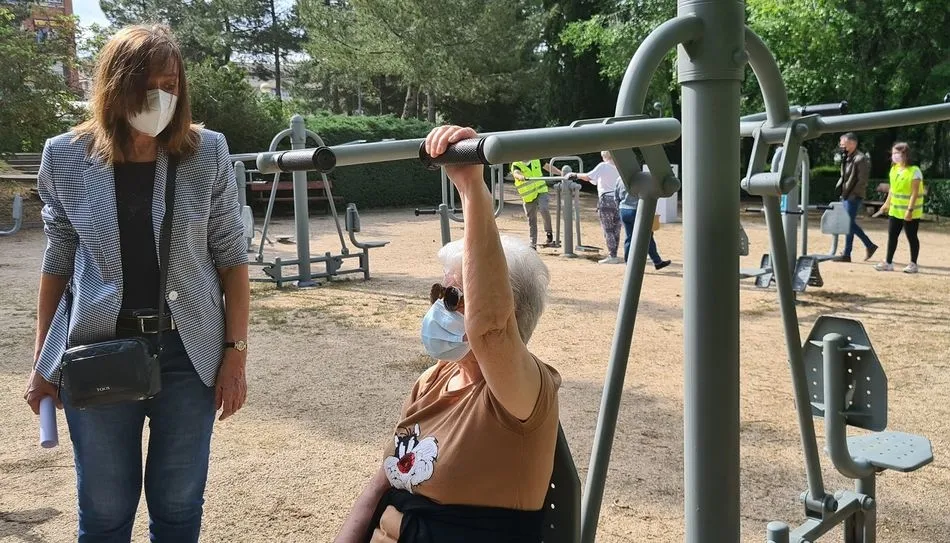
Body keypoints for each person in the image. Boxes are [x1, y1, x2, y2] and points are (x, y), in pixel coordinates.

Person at [21, 25, 250, 542]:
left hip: (189, 354)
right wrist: (43, 363)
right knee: (103, 511)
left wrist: (235, 353)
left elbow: (232, 259)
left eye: (170, 84)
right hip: (99, 350)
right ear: (112, 87)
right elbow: (57, 261)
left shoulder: (206, 151)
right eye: (145, 85)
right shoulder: (64, 156)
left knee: (178, 505)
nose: (160, 98)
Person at [335, 126, 561, 543]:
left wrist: (472, 190)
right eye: (438, 290)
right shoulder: (434, 379)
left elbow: (491, 331)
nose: (439, 305)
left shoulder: (520, 395)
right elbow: (380, 482)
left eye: (452, 295)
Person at [546, 151, 623, 264]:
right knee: (616, 228)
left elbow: (588, 177)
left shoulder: (603, 166)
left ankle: (612, 255)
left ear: (604, 156)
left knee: (608, 229)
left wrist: (575, 175)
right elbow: (594, 181)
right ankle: (614, 253)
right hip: (619, 200)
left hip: (606, 199)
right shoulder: (619, 167)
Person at [873, 142, 924, 273]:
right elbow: (892, 189)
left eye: (897, 153)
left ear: (905, 154)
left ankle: (913, 264)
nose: (894, 156)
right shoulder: (894, 169)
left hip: (910, 211)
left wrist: (909, 210)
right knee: (892, 236)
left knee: (911, 236)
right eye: (893, 153)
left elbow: (915, 193)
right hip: (895, 210)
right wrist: (886, 204)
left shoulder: (915, 171)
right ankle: (888, 263)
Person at [835, 132, 878, 262]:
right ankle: (865, 247)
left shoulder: (860, 159)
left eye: (844, 144)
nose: (842, 146)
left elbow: (862, 181)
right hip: (846, 194)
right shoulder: (847, 157)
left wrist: (852, 195)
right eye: (841, 144)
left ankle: (851, 252)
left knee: (847, 223)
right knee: (848, 223)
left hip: (853, 196)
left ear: (853, 144)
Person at [616, 181, 671, 270]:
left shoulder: (619, 179)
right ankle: (657, 261)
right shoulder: (640, 179)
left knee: (629, 237)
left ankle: (628, 263)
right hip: (636, 210)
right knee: (647, 236)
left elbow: (616, 197)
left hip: (623, 209)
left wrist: (620, 208)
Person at [510, 158, 553, 249]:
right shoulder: (516, 163)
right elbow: (516, 172)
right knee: (532, 219)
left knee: (544, 208)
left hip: (541, 190)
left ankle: (549, 233)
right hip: (528, 196)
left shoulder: (536, 159)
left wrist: (562, 173)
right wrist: (520, 176)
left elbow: (548, 167)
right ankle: (533, 243)